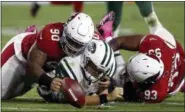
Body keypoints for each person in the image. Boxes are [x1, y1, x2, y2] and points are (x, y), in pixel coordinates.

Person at [1, 12, 94, 99]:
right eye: (71, 41)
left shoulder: (94, 44)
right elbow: (33, 64)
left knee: (9, 95)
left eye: (78, 45)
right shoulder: (50, 36)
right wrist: (49, 82)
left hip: (47, 68)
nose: (73, 47)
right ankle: (32, 38)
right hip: (22, 55)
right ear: (65, 31)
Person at [98, 11, 185, 103]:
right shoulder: (154, 44)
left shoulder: (157, 92)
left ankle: (107, 36)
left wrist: (111, 84)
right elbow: (120, 42)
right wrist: (104, 52)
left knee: (120, 78)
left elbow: (128, 95)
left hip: (174, 82)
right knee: (165, 37)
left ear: (148, 83)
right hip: (176, 53)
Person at [37, 39, 123, 105]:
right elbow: (78, 100)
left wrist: (106, 85)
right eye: (93, 67)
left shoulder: (94, 69)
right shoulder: (71, 68)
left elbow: (100, 89)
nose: (95, 72)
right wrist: (107, 97)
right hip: (50, 90)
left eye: (99, 71)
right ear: (86, 59)